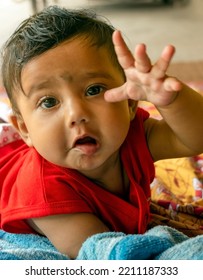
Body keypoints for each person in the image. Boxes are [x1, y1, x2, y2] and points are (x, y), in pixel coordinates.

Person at [0, 6, 202, 259]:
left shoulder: (130, 135)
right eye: (49, 102)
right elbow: (102, 254)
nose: (76, 114)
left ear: (129, 103)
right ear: (26, 130)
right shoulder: (42, 191)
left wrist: (172, 100)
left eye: (94, 89)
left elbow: (195, 137)